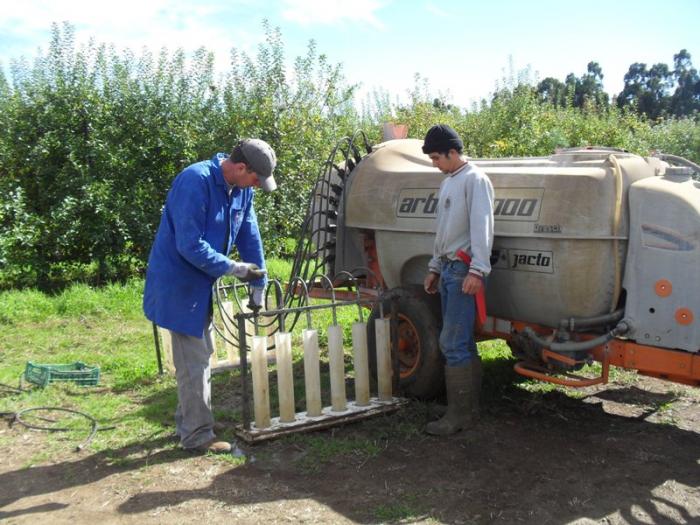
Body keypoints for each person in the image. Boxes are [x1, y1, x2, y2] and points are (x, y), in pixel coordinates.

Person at [143, 139, 277, 453]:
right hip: (179, 283)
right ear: (241, 168)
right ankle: (197, 437)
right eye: (256, 179)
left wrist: (259, 283)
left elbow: (249, 235)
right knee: (195, 361)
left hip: (201, 281)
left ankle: (190, 420)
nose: (256, 186)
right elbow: (189, 245)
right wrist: (235, 269)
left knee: (202, 352)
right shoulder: (195, 181)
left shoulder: (241, 189)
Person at [422, 124, 494, 436]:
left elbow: (483, 227)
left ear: (453, 152)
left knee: (452, 340)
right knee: (460, 340)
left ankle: (461, 414)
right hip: (449, 270)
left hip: (465, 271)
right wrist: (435, 266)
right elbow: (443, 231)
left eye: (437, 157)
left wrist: (478, 270)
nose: (434, 163)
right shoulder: (449, 182)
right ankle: (464, 407)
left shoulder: (474, 180)